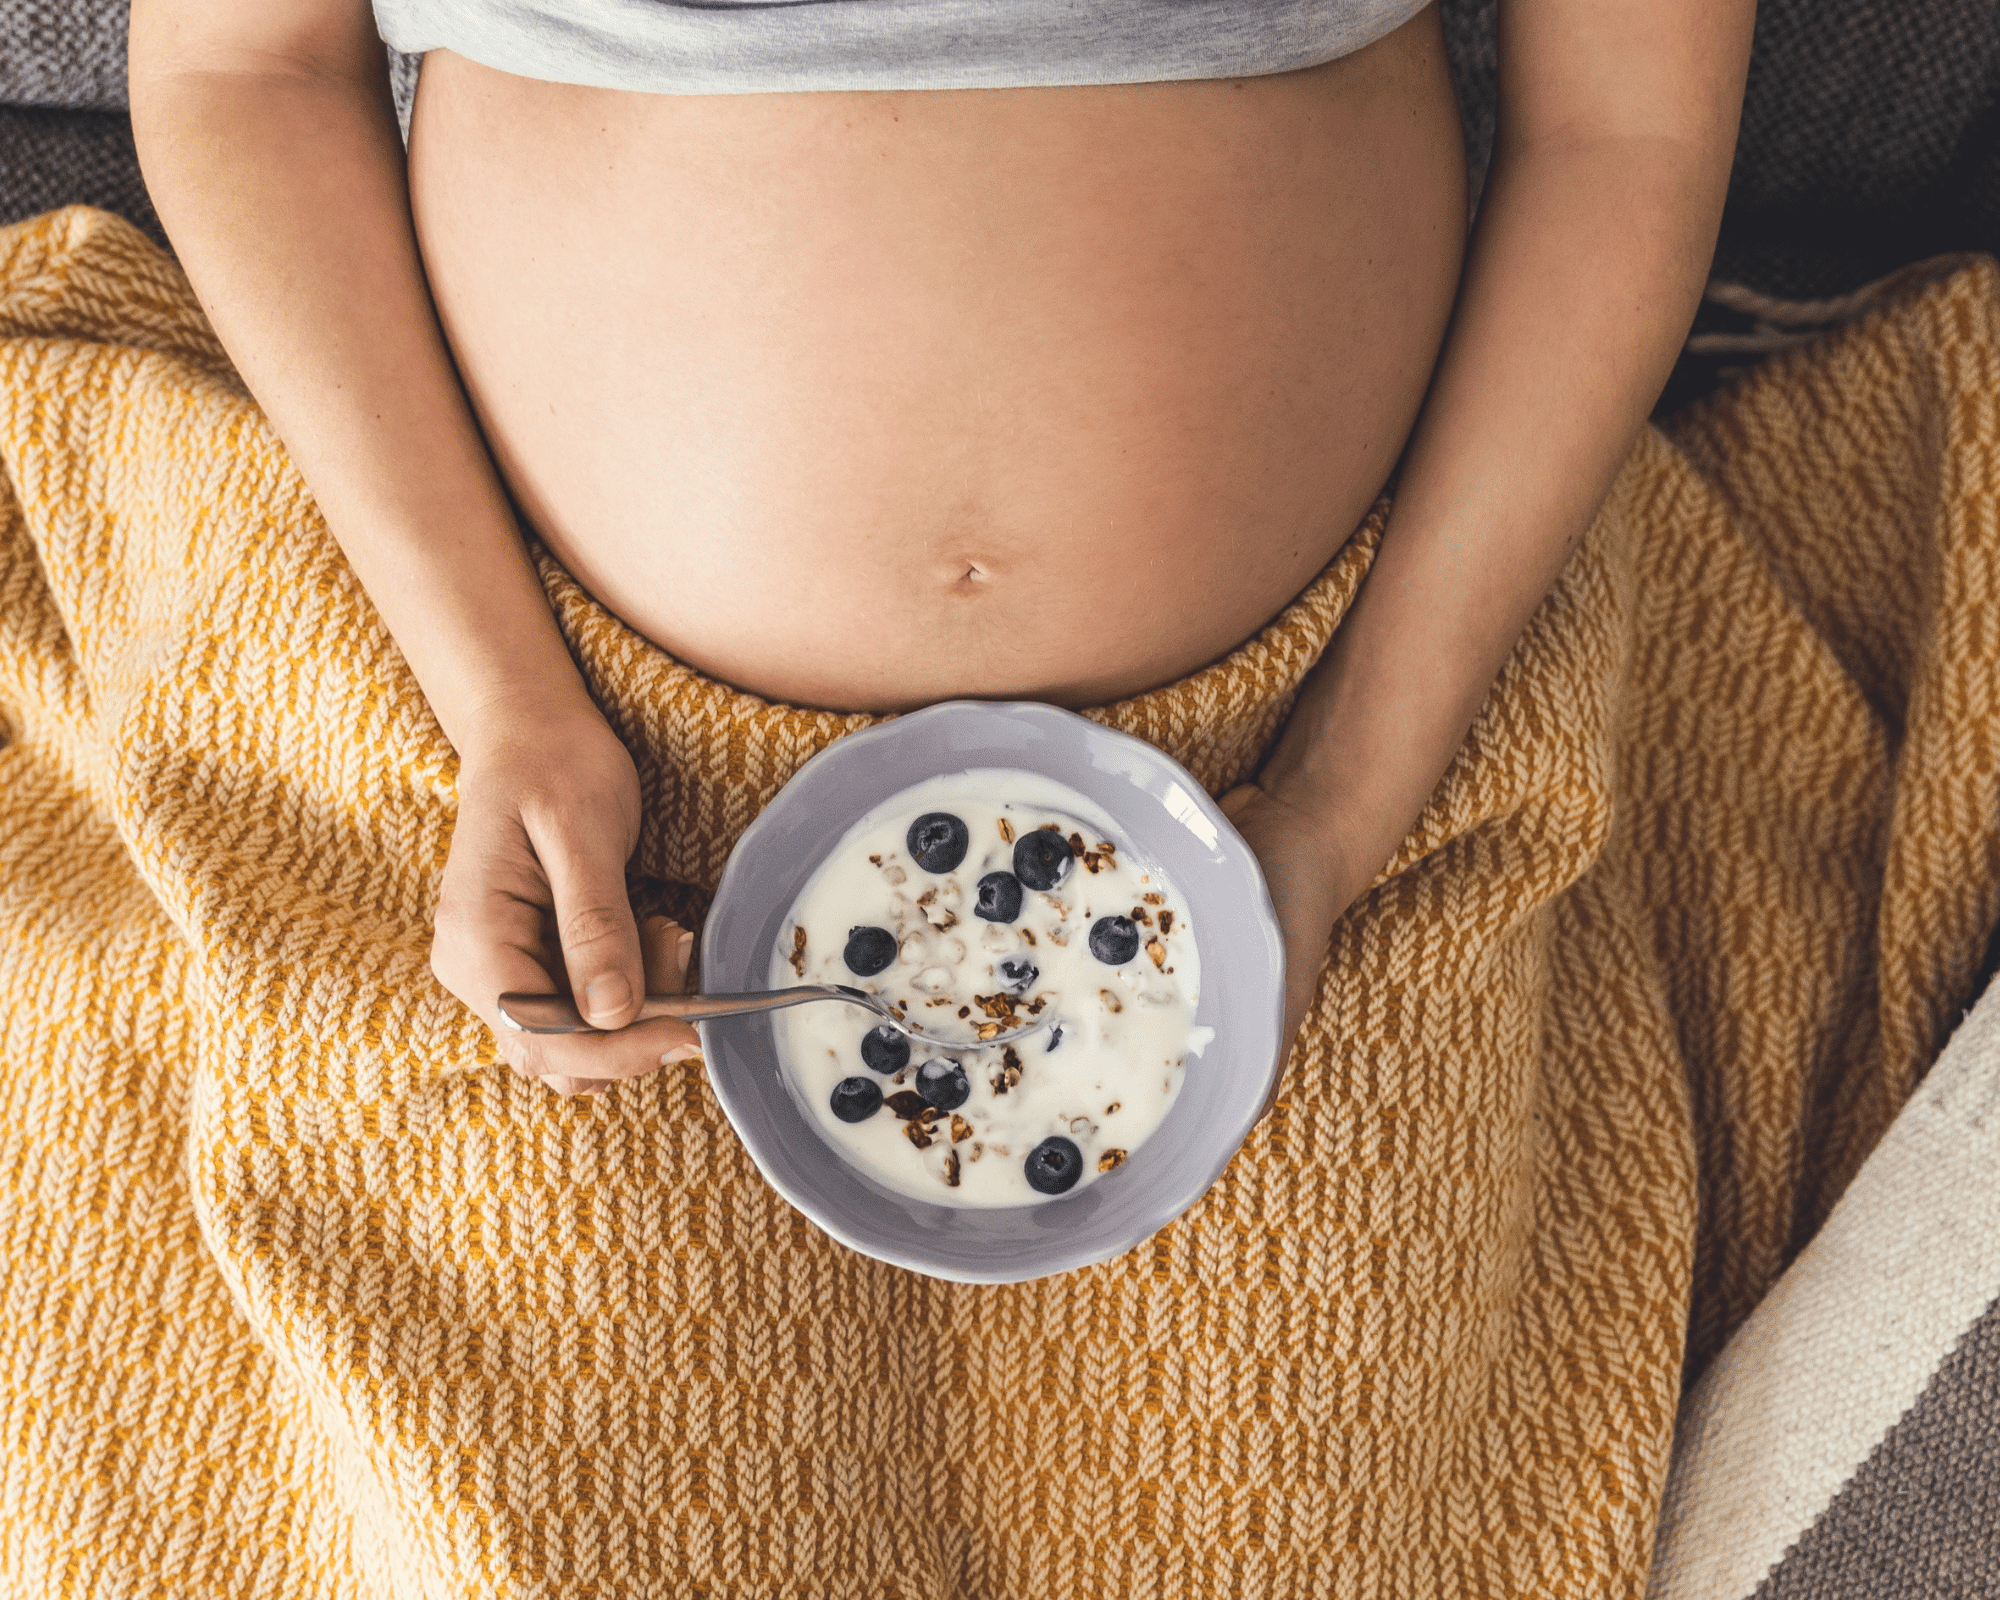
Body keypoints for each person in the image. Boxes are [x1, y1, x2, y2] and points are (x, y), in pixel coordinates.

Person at [127, 0, 1756, 1099]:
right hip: (538, 722)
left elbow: (1628, 133)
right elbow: (235, 70)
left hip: (1348, 726)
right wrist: (504, 711)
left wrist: (1345, 794)